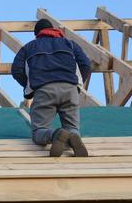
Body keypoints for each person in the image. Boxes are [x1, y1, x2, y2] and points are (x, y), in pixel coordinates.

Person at [12, 18, 92, 157]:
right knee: (72, 127)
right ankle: (73, 137)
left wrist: (29, 87)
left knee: (39, 131)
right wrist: (76, 84)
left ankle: (55, 134)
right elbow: (86, 64)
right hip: (70, 89)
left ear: (37, 34)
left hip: (44, 90)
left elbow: (16, 70)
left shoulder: (29, 47)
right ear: (54, 30)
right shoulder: (70, 44)